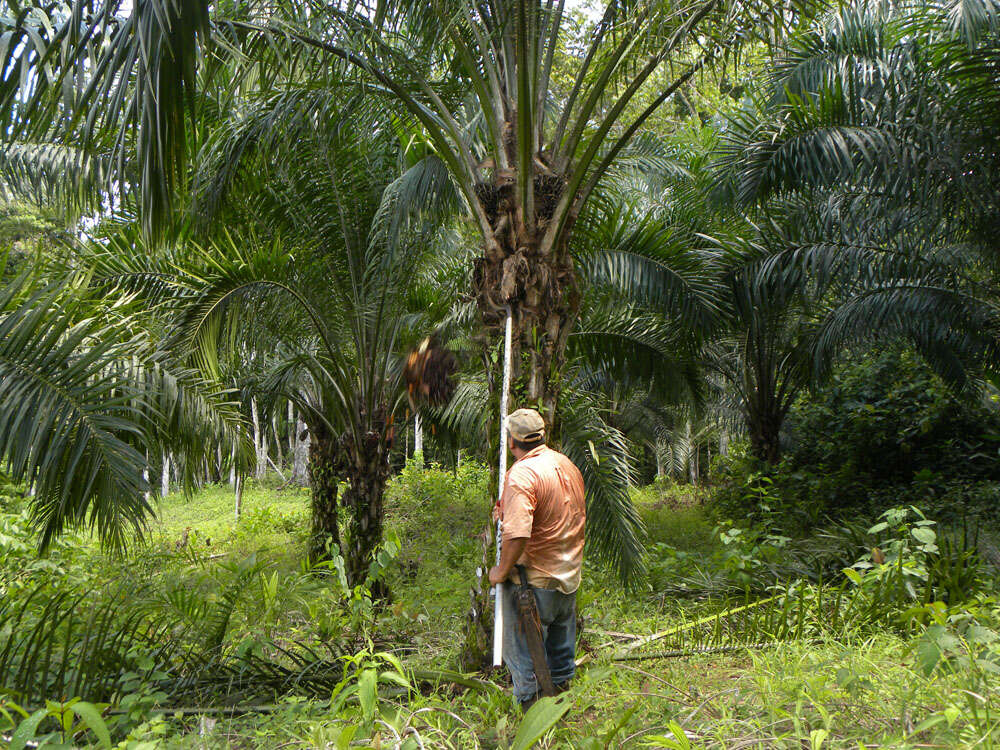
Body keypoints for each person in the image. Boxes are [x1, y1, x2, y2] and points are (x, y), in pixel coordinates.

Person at [488, 408, 586, 710]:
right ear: (541, 435)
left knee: (524, 658)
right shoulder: (565, 464)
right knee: (560, 659)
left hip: (533, 583)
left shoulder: (521, 475)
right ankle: (562, 712)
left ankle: (533, 719)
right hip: (567, 577)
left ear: (512, 441)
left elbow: (518, 535)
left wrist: (501, 572)